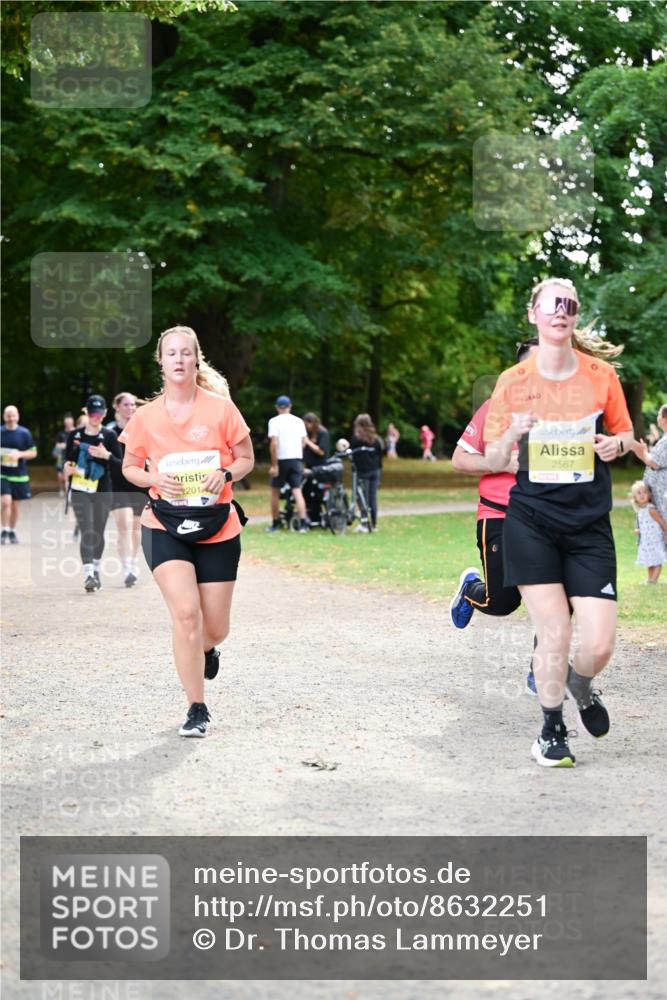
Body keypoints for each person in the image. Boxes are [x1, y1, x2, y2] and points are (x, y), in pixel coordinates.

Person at [484, 277, 634, 769]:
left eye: (568, 305)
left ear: (575, 314)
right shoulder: (514, 381)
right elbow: (492, 454)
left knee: (599, 643)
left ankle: (581, 685)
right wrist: (513, 435)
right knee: (554, 633)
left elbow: (624, 432)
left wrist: (616, 445)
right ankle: (551, 730)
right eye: (550, 305)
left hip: (589, 523)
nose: (559, 312)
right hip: (531, 520)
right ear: (534, 315)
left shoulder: (600, 375)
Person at [121, 325, 254, 738]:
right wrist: (153, 475)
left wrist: (226, 472)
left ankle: (208, 649)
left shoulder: (221, 409)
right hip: (164, 524)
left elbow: (248, 457)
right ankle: (196, 707)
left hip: (217, 526)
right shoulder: (146, 417)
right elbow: (129, 467)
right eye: (170, 353)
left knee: (215, 628)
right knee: (185, 614)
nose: (178, 359)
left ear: (196, 360)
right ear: (160, 362)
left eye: (185, 353)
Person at [449, 339, 539, 693]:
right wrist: (497, 462)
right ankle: (471, 588)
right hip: (499, 513)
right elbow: (459, 459)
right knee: (502, 603)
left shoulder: (566, 412)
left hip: (547, 519)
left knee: (554, 597)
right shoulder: (495, 408)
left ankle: (541, 672)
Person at [64, 395, 122, 592]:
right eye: (91, 413)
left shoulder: (110, 436)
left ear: (105, 413)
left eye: (99, 413)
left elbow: (120, 465)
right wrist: (67, 469)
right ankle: (88, 574)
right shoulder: (75, 435)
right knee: (87, 529)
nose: (95, 416)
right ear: (85, 412)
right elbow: (67, 461)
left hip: (103, 490)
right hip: (80, 489)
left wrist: (106, 456)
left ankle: (96, 568)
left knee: (98, 531)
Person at [106, 392, 147, 587]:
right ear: (117, 407)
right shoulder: (109, 432)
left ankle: (133, 560)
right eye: (126, 405)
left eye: (133, 404)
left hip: (138, 484)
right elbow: (106, 460)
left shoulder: (142, 428)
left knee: (136, 527)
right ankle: (127, 567)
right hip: (117, 485)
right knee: (124, 525)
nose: (130, 408)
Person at [267, 395, 308, 533]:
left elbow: (274, 444)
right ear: (290, 406)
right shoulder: (299, 421)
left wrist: (274, 465)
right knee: (297, 491)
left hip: (282, 459)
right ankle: (303, 523)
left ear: (277, 407)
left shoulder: (274, 421)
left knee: (275, 492)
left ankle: (276, 523)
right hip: (296, 459)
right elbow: (303, 442)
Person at [1, 405, 37, 545]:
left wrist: (20, 454)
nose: (10, 418)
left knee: (15, 505)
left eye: (13, 415)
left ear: (18, 416)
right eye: (8, 415)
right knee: (5, 501)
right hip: (2, 474)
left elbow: (33, 453)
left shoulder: (24, 433)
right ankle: (4, 529)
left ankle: (11, 530)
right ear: (4, 416)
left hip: (19, 474)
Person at [632, 403, 667, 522]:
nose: (657, 417)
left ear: (664, 418)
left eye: (658, 414)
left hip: (662, 497)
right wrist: (643, 453)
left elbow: (654, 462)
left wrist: (642, 452)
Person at [350, 413, 383, 531]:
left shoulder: (357, 439)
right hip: (375, 470)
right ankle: (373, 523)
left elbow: (353, 454)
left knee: (363, 497)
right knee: (372, 498)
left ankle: (364, 522)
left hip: (363, 471)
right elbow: (380, 457)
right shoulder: (376, 439)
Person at [631, 481, 667, 584]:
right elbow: (642, 524)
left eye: (644, 492)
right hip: (646, 541)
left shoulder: (650, 508)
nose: (642, 495)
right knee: (649, 560)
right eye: (639, 493)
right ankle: (650, 578)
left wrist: (666, 532)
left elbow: (661, 521)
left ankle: (653, 580)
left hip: (655, 539)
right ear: (635, 497)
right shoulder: (640, 510)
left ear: (649, 495)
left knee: (657, 559)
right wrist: (639, 530)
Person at [302, 412, 331, 525]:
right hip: (309, 465)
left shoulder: (322, 433)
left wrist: (308, 442)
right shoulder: (308, 433)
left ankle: (317, 513)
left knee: (318, 491)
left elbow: (321, 451)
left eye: (307, 424)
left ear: (312, 423)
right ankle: (310, 513)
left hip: (320, 466)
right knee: (306, 489)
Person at [53, 414, 75, 497]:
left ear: (73, 422)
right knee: (60, 475)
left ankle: (69, 493)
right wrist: (59, 446)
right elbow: (57, 445)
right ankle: (61, 489)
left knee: (68, 475)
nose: (68, 424)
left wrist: (66, 445)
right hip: (61, 456)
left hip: (72, 456)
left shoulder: (76, 432)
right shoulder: (61, 433)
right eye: (67, 423)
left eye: (70, 422)